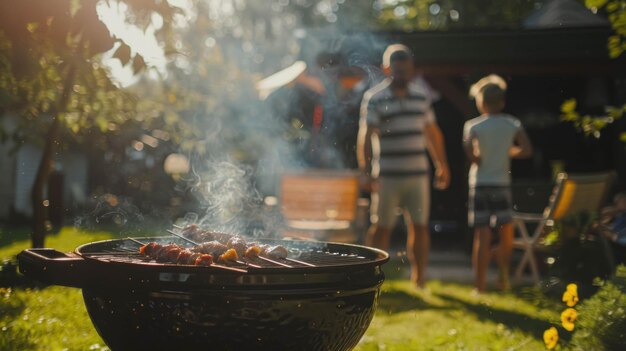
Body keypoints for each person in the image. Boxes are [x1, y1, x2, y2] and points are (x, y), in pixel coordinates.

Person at [357, 44, 450, 288]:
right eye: (397, 70)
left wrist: (442, 165)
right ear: (387, 69)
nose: (402, 75)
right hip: (387, 176)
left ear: (412, 70)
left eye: (406, 70)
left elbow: (432, 132)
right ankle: (369, 278)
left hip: (418, 175)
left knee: (420, 226)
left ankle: (419, 279)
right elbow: (366, 137)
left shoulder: (422, 95)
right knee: (381, 228)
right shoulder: (375, 98)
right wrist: (366, 172)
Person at [463, 74, 533, 292]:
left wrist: (477, 158)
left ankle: (480, 285)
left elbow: (469, 151)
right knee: (505, 234)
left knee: (482, 235)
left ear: (481, 102)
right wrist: (508, 151)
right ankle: (503, 280)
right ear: (502, 101)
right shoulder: (512, 123)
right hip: (502, 184)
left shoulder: (473, 125)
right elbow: (527, 150)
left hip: (480, 183)